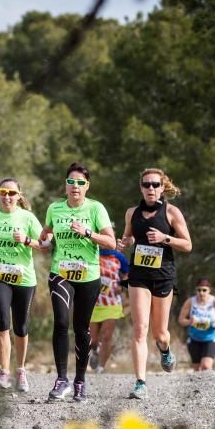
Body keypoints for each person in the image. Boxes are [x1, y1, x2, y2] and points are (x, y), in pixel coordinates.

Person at [40, 162, 116, 402]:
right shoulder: (55, 208)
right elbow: (47, 235)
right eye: (71, 182)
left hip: (88, 276)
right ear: (65, 186)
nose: (75, 186)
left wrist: (87, 233)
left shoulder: (96, 209)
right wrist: (44, 240)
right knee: (61, 322)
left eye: (80, 183)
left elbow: (111, 243)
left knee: (81, 328)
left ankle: (80, 381)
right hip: (60, 272)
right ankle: (61, 380)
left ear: (87, 187)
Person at [119, 168, 192, 399]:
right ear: (140, 187)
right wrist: (125, 243)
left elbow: (188, 245)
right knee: (140, 329)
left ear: (162, 187)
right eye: (146, 184)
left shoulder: (171, 212)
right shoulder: (132, 212)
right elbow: (128, 237)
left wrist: (165, 238)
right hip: (138, 275)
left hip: (163, 275)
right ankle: (140, 383)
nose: (151, 188)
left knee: (159, 333)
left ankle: (165, 349)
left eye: (155, 185)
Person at [0, 178, 44, 392]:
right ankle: (4, 372)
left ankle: (21, 370)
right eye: (3, 192)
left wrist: (26, 240)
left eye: (11, 193)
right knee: (2, 320)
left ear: (19, 195)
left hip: (24, 278)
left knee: (21, 326)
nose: (7, 196)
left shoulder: (27, 218)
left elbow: (45, 244)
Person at [89, 244, 129, 374]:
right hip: (93, 303)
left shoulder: (119, 257)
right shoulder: (91, 252)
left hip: (112, 302)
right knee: (93, 340)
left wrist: (121, 286)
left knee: (107, 336)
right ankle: (94, 351)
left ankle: (101, 367)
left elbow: (128, 274)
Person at [177, 278, 215, 371]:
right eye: (199, 290)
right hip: (194, 339)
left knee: (206, 366)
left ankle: (209, 385)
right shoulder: (190, 302)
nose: (201, 293)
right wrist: (189, 321)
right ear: (196, 290)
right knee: (196, 368)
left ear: (209, 290)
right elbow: (181, 320)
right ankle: (197, 386)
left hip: (210, 338)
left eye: (204, 290)